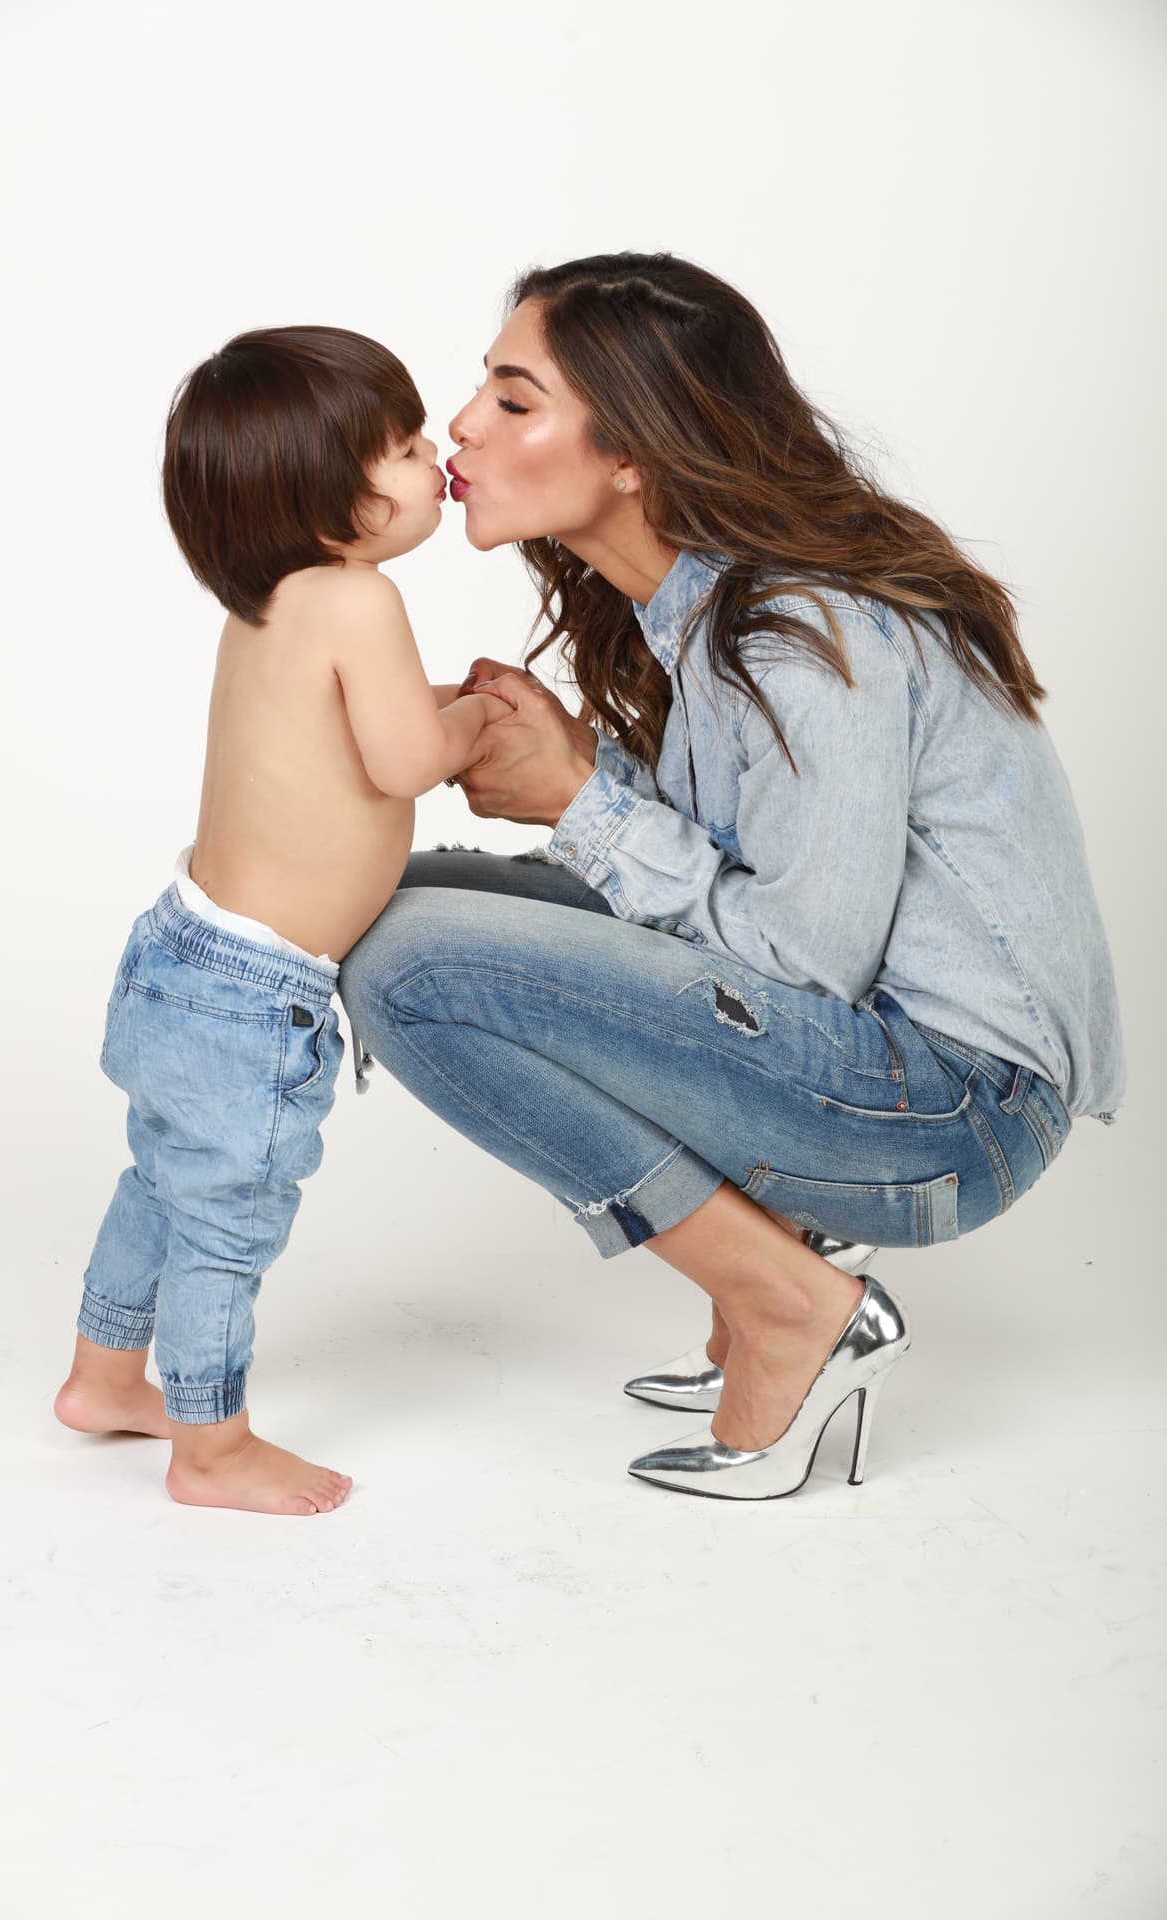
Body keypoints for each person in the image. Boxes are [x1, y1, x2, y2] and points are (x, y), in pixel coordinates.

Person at [337, 252, 1125, 1501]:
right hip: (873, 1063)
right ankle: (777, 1274)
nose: (464, 425)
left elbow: (801, 960)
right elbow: (750, 877)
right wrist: (590, 771)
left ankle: (785, 1302)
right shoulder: (705, 613)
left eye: (514, 397)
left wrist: (580, 801)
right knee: (400, 904)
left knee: (415, 968)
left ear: (632, 450)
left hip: (950, 1113)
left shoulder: (808, 634)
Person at [54, 326, 508, 1515]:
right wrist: (478, 723)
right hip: (252, 992)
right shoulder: (360, 598)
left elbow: (350, 741)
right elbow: (403, 758)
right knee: (226, 1219)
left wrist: (443, 703)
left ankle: (105, 1378)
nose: (432, 461)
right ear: (326, 503)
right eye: (404, 447)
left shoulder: (269, 606)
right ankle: (211, 1447)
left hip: (180, 952)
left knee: (163, 1179)